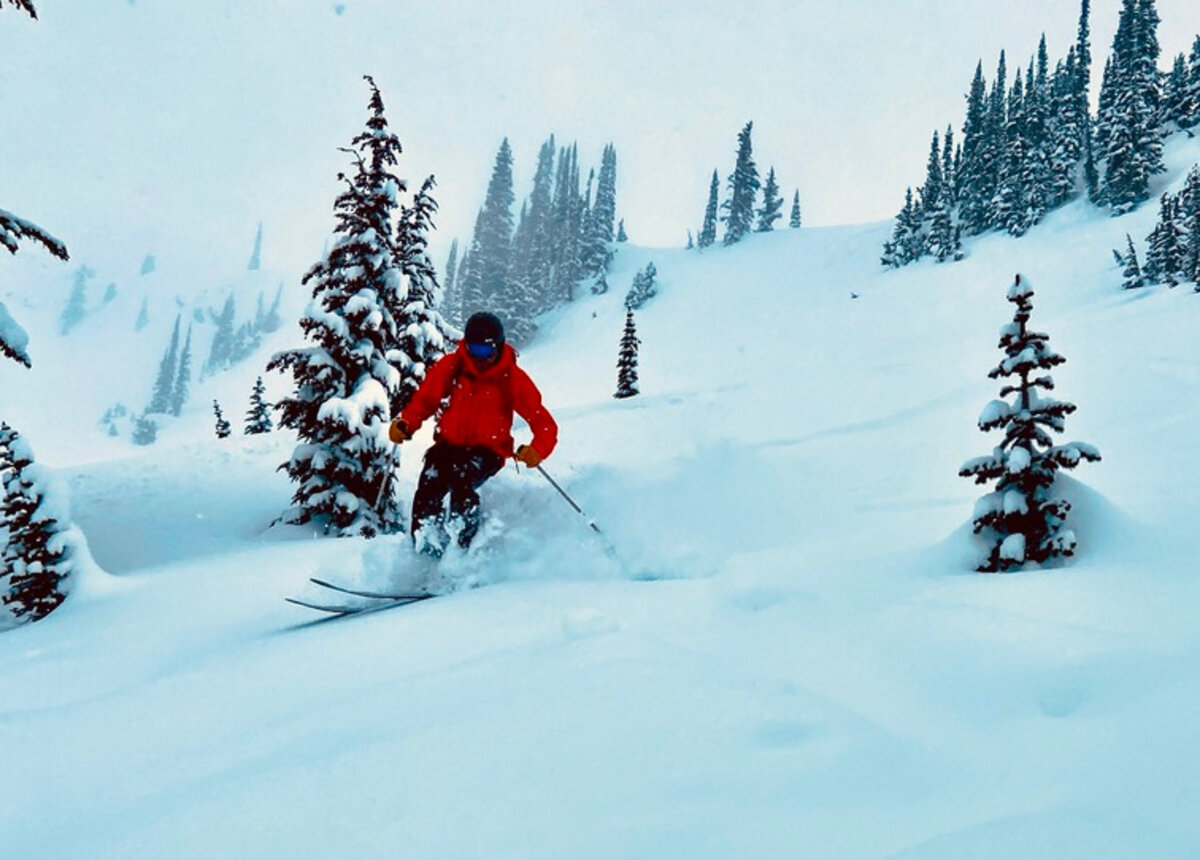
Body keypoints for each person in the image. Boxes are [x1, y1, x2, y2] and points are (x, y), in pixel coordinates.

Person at [388, 312, 558, 555]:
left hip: (488, 450)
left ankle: (462, 556)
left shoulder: (511, 378)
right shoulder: (453, 365)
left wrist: (537, 450)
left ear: (497, 346)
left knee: (462, 484)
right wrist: (407, 422)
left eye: (485, 351)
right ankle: (424, 553)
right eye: (473, 349)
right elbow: (426, 400)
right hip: (449, 444)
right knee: (428, 488)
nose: (480, 358)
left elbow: (544, 423)